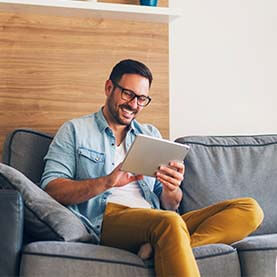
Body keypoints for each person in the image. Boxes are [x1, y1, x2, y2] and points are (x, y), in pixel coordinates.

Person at [40, 59, 264, 277]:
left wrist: (171, 189)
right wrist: (107, 181)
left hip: (158, 221)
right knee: (170, 222)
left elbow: (170, 204)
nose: (134, 105)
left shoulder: (150, 135)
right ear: (109, 87)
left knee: (249, 209)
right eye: (128, 94)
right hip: (108, 220)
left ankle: (159, 248)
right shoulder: (75, 130)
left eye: (142, 99)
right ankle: (165, 243)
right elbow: (51, 189)